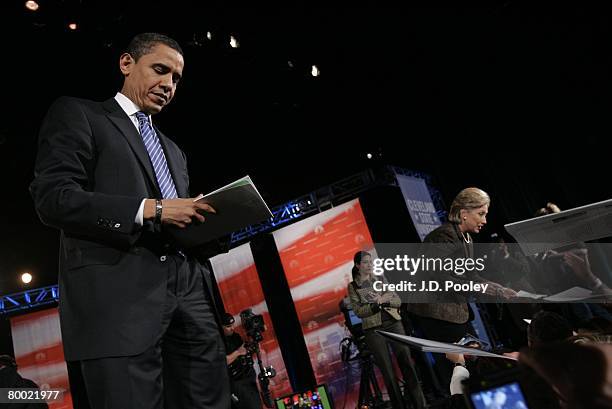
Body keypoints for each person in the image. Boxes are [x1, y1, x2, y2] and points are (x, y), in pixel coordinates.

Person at [29, 33, 229, 409]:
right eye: (160, 70)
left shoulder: (174, 151)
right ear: (126, 64)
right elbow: (53, 199)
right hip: (119, 303)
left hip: (191, 296)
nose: (168, 85)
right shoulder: (80, 114)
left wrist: (212, 223)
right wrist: (151, 208)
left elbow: (175, 223)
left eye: (176, 79)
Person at [405, 187, 516, 392]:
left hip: (455, 311)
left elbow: (470, 275)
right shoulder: (444, 236)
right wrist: (482, 288)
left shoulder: (466, 238)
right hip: (437, 313)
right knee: (457, 367)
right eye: (481, 214)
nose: (484, 221)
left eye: (485, 214)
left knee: (473, 361)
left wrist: (497, 288)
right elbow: (438, 275)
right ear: (464, 213)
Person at [348, 251, 426, 409]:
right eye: (365, 262)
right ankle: (399, 406)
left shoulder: (381, 279)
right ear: (357, 265)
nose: (369, 265)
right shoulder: (354, 286)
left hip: (394, 324)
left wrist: (385, 300)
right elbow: (358, 311)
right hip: (373, 330)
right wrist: (376, 304)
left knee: (407, 363)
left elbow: (397, 300)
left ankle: (421, 404)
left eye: (370, 262)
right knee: (388, 371)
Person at [222, 313, 262, 409]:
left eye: (232, 325)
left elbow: (244, 351)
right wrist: (238, 352)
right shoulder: (218, 342)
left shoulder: (235, 336)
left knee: (258, 404)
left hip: (249, 376)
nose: (232, 328)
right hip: (237, 381)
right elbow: (221, 362)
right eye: (228, 326)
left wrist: (251, 346)